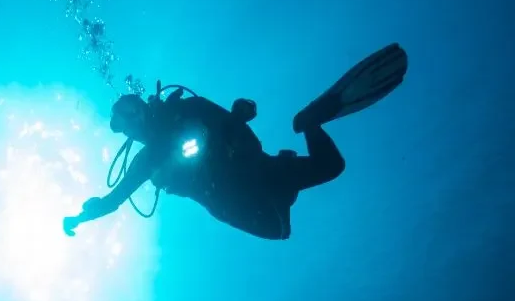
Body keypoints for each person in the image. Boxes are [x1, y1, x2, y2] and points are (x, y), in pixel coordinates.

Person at [63, 44, 407, 241]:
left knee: (331, 168)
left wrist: (240, 114)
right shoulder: (146, 161)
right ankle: (309, 126)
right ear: (123, 131)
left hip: (255, 170)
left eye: (133, 108)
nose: (135, 118)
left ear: (142, 105)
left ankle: (310, 122)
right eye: (125, 117)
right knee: (279, 228)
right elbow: (113, 199)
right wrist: (82, 216)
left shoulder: (186, 108)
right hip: (236, 196)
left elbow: (230, 119)